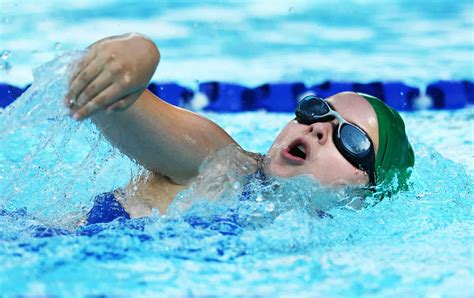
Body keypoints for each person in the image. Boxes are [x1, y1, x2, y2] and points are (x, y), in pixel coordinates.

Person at [65, 33, 414, 224]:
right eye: (317, 109)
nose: (319, 128)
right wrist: (139, 53)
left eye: (350, 138)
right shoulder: (220, 164)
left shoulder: (313, 242)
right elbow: (110, 102)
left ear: (368, 188)